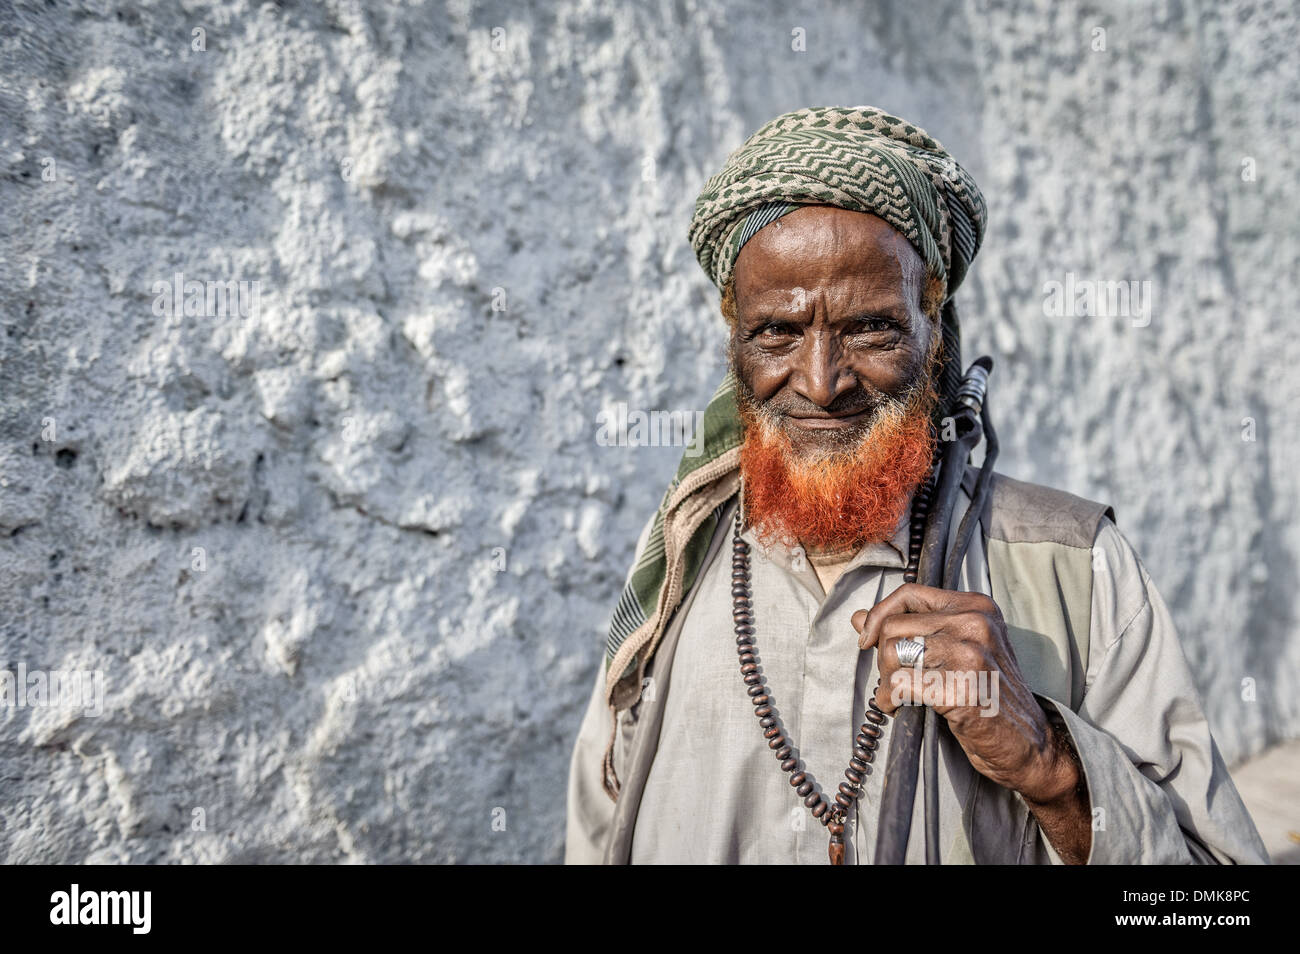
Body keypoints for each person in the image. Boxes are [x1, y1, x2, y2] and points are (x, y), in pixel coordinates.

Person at [564, 106, 1269, 865]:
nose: (822, 382)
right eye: (778, 332)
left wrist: (1054, 771)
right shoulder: (678, 558)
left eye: (871, 329)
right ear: (734, 329)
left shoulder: (1074, 565)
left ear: (933, 320)